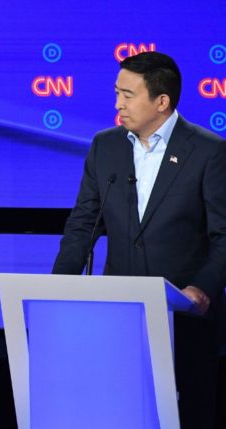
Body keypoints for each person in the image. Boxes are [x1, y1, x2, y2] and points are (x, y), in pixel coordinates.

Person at [53, 51, 226, 428]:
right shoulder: (105, 146)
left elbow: (224, 236)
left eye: (128, 95)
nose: (118, 104)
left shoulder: (209, 152)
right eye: (117, 92)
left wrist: (203, 288)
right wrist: (57, 289)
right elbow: (83, 224)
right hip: (120, 317)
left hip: (185, 320)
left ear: (161, 101)